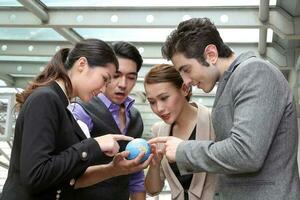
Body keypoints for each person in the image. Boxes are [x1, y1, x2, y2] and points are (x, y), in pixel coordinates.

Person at [148, 18, 300, 199]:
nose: (186, 81)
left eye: (186, 69)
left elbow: (246, 153)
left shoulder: (255, 72)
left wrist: (182, 150)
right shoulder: (231, 82)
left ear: (211, 54)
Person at [1, 39, 151, 200]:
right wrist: (94, 145)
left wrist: (114, 169)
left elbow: (70, 180)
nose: (102, 88)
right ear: (81, 64)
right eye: (105, 78)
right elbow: (35, 175)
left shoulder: (62, 105)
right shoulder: (45, 99)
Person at [70, 41, 147, 200]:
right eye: (116, 76)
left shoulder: (136, 117)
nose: (123, 84)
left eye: (131, 77)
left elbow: (136, 177)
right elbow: (66, 167)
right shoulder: (81, 110)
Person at [144, 64, 216, 200]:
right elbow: (153, 190)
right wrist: (154, 165)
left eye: (164, 98)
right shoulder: (159, 131)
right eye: (152, 102)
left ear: (184, 89)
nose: (159, 108)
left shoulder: (214, 123)